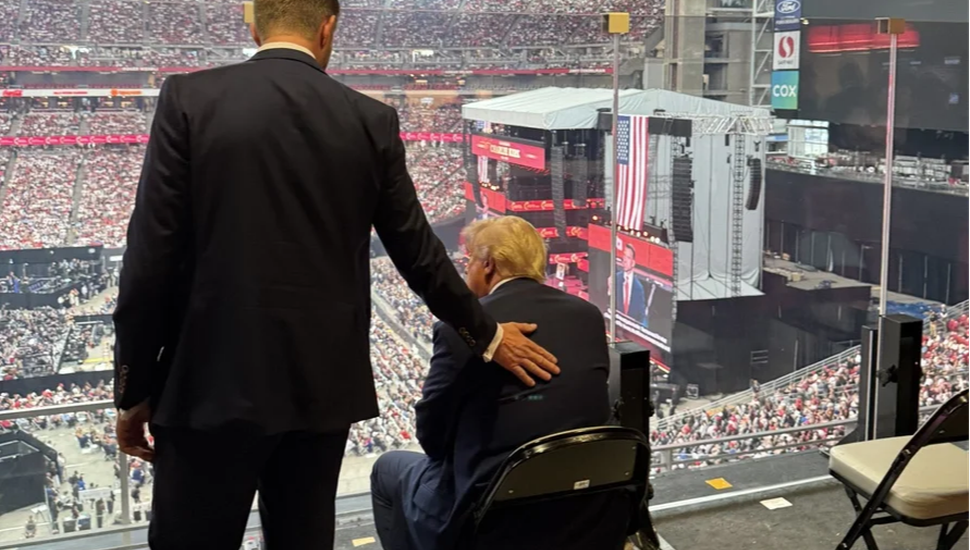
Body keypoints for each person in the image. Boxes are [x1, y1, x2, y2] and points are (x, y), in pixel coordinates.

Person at [112, 1, 559, 549]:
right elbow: (419, 253)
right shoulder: (369, 119)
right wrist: (487, 335)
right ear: (328, 28)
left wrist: (132, 389)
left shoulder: (189, 98)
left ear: (252, 26)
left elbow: (148, 260)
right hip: (319, 388)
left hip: (207, 386)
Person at [371, 217, 622, 550]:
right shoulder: (588, 315)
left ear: (487, 264)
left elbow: (431, 437)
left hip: (491, 512)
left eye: (469, 260)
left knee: (387, 469)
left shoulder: (461, 330)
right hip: (584, 505)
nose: (467, 269)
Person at [613, 244, 647, 324]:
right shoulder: (615, 279)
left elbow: (641, 316)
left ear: (633, 263)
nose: (624, 260)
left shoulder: (639, 288)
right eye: (624, 256)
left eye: (628, 258)